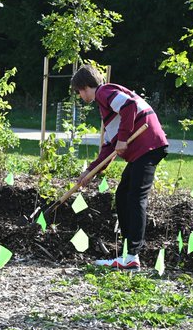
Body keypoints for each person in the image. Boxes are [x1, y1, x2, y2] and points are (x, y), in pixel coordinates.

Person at [71, 65, 169, 270]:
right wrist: (91, 171)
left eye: (79, 91)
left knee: (135, 197)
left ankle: (132, 256)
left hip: (148, 146)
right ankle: (128, 254)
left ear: (86, 86)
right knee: (123, 196)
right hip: (142, 151)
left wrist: (124, 138)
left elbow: (130, 106)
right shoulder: (104, 104)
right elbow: (109, 146)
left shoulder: (104, 92)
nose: (80, 96)